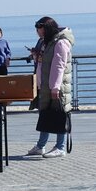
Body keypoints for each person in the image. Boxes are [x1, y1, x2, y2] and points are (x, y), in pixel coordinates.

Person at [26, 16, 74, 159]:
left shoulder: (60, 43)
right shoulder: (47, 42)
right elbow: (45, 63)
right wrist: (37, 57)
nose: (38, 33)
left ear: (47, 29)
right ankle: (41, 145)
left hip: (56, 87)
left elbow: (59, 66)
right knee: (45, 114)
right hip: (46, 85)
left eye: (40, 30)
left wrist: (55, 87)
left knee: (59, 114)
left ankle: (60, 147)